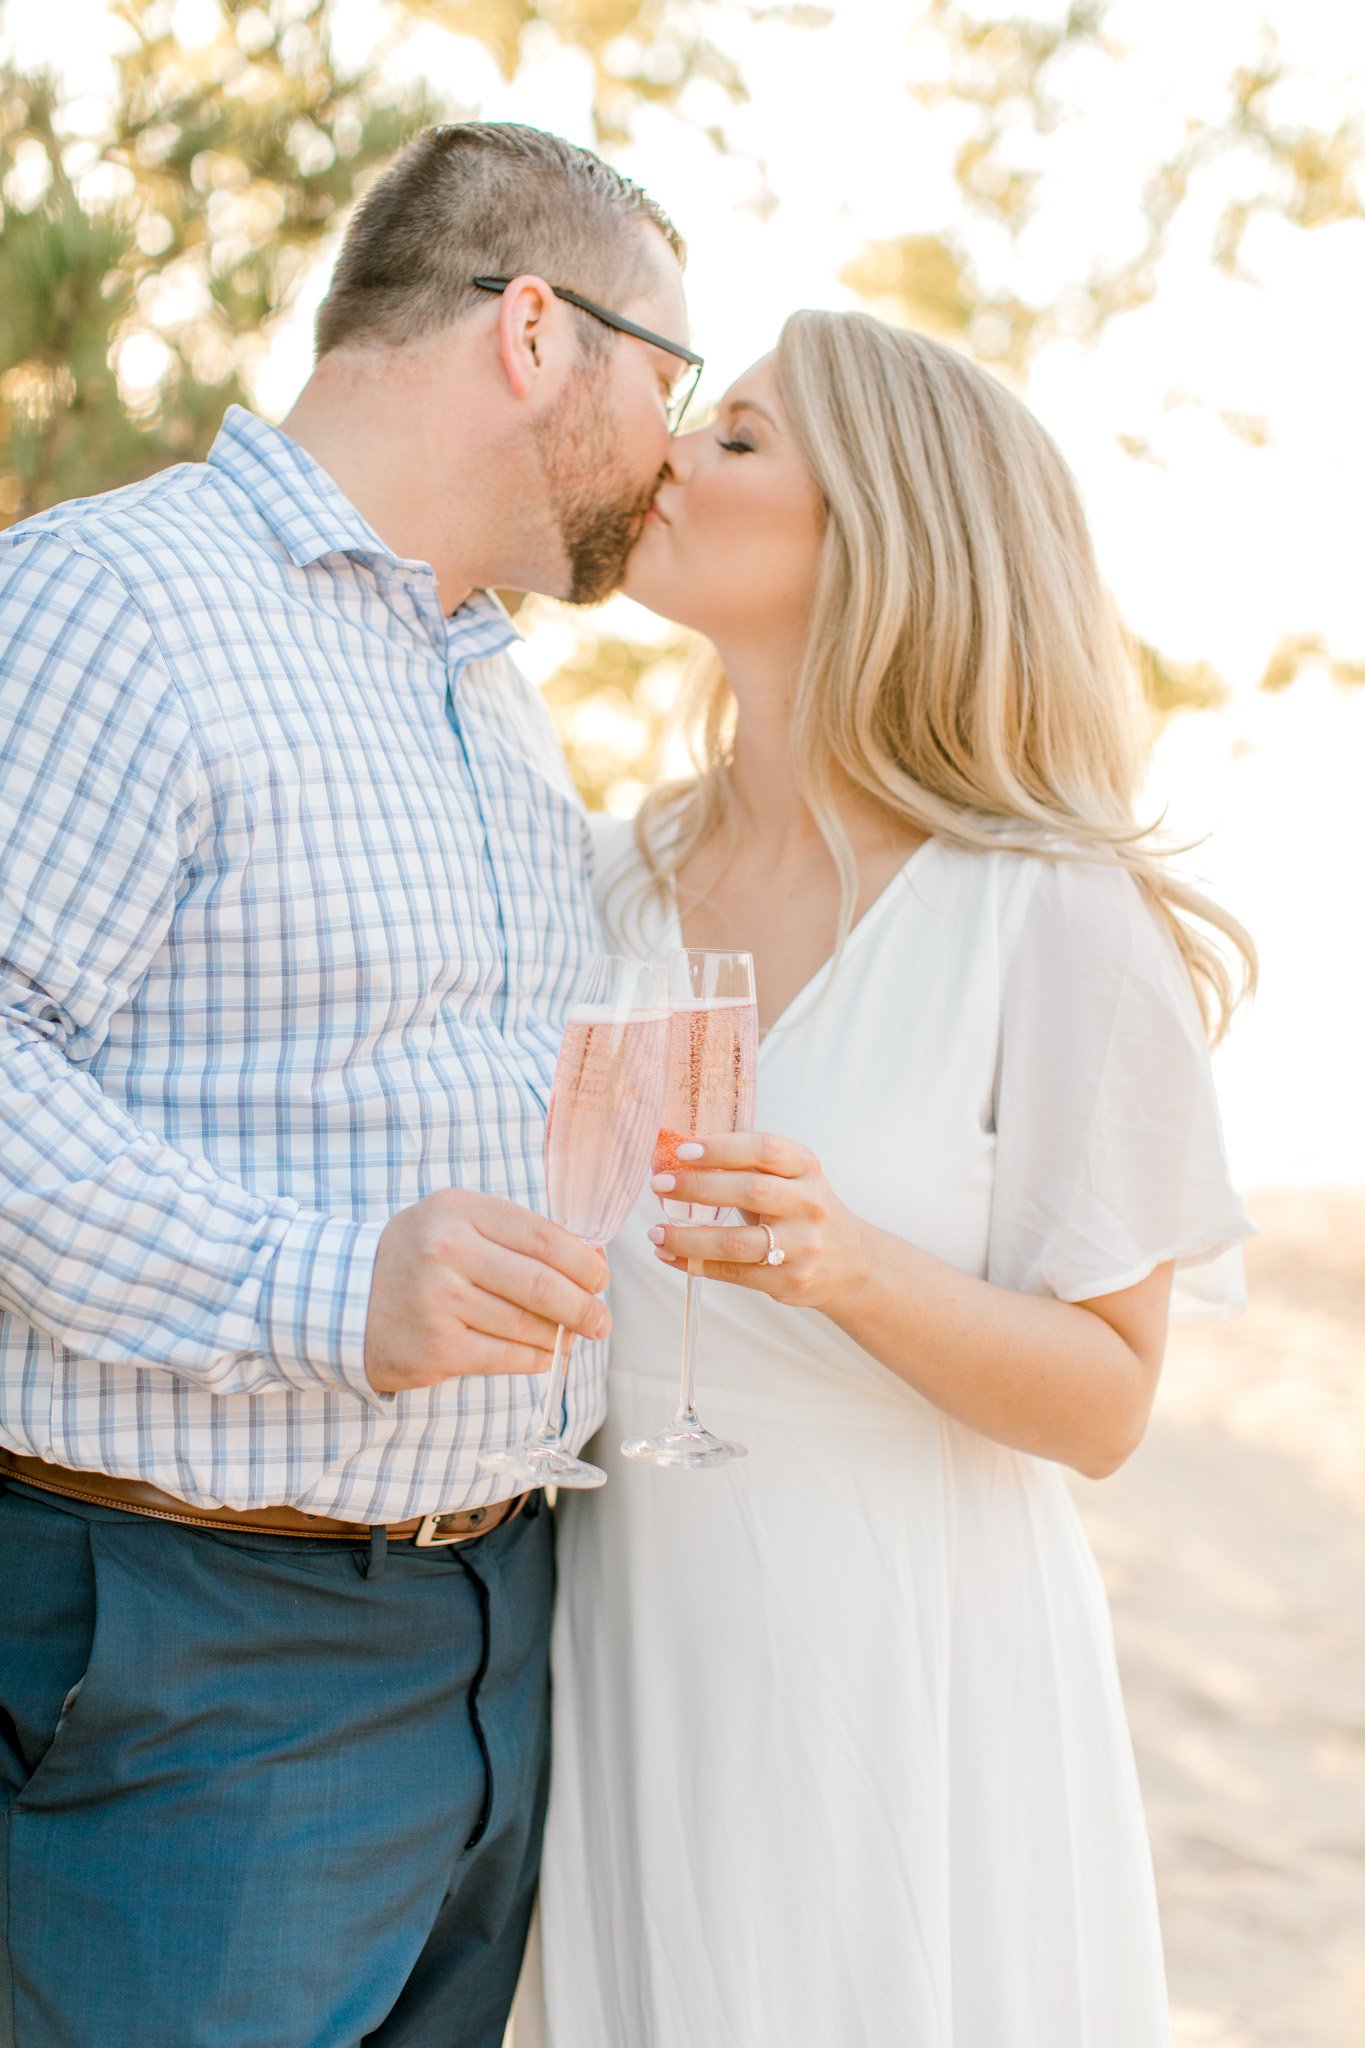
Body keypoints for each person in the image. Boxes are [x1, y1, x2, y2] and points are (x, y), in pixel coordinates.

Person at [0, 122, 699, 2048]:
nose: (671, 445)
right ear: (535, 332)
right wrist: (330, 1288)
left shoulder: (488, 683)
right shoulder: (113, 602)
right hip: (203, 1650)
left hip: (497, 1631)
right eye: (671, 378)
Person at [524, 311, 1256, 2048]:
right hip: (627, 1645)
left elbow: (1103, 1403)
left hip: (904, 1671)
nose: (672, 453)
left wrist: (839, 1263)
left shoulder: (1047, 907)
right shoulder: (606, 879)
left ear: (883, 530)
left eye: (745, 439)